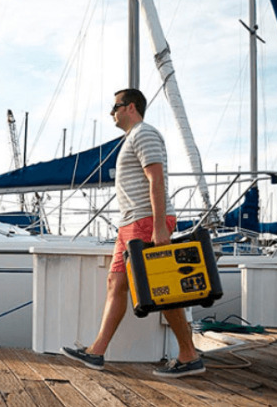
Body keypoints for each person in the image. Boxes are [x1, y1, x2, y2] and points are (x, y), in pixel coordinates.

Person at [61, 88, 204, 378]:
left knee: (161, 290)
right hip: (130, 224)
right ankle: (96, 352)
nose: (111, 113)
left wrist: (161, 225)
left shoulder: (144, 134)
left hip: (147, 221)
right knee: (116, 283)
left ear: (131, 107)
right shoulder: (131, 138)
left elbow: (157, 180)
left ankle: (189, 356)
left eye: (115, 107)